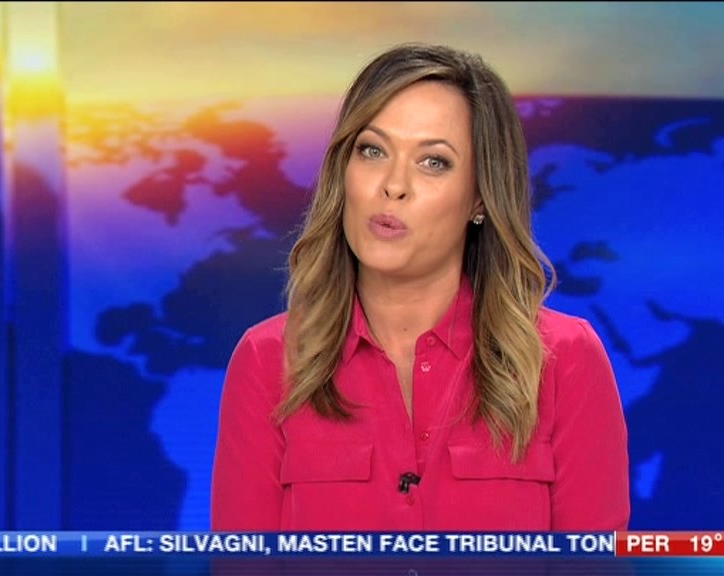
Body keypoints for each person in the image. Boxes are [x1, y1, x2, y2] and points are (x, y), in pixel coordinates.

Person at [211, 42, 629, 532]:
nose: (393, 185)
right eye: (372, 151)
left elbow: (591, 563)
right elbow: (246, 563)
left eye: (433, 162)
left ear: (480, 198)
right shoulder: (267, 361)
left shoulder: (564, 360)